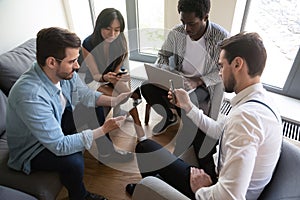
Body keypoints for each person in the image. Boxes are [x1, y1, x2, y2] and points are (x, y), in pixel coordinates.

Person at [126, 32, 283, 200]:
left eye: (221, 66)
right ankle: (162, 182)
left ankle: (150, 190)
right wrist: (188, 105)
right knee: (193, 125)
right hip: (222, 169)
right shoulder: (261, 100)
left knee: (145, 147)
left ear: (237, 64)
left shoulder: (245, 120)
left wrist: (201, 189)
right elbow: (218, 131)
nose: (220, 73)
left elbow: (230, 197)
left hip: (216, 189)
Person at [6, 27, 133, 200]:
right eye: (72, 60)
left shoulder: (63, 72)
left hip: (55, 123)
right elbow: (59, 146)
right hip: (33, 147)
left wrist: (115, 100)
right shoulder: (30, 95)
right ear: (52, 62)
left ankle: (106, 153)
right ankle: (80, 196)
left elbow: (85, 95)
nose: (78, 65)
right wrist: (103, 129)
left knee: (94, 107)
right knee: (74, 160)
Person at [140, 0, 229, 158]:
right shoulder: (177, 32)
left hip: (203, 86)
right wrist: (166, 71)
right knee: (146, 86)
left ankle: (179, 154)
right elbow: (163, 55)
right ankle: (170, 116)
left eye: (192, 23)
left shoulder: (221, 37)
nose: (186, 28)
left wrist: (198, 80)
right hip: (176, 78)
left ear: (205, 17)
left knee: (190, 104)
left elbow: (222, 71)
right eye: (183, 22)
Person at [81, 8, 146, 142]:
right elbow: (95, 75)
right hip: (94, 79)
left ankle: (139, 129)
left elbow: (116, 68)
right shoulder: (88, 44)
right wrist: (106, 77)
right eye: (108, 29)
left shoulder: (120, 41)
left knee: (127, 93)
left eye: (117, 30)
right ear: (100, 26)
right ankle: (135, 127)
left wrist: (119, 76)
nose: (112, 34)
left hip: (109, 76)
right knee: (122, 97)